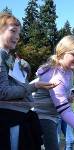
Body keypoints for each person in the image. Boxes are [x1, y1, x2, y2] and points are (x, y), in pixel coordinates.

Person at [0, 12, 56, 150]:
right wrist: (34, 86)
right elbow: (3, 92)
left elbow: (21, 90)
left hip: (21, 119)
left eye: (19, 33)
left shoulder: (10, 59)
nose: (17, 37)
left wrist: (24, 71)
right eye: (13, 31)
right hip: (9, 122)